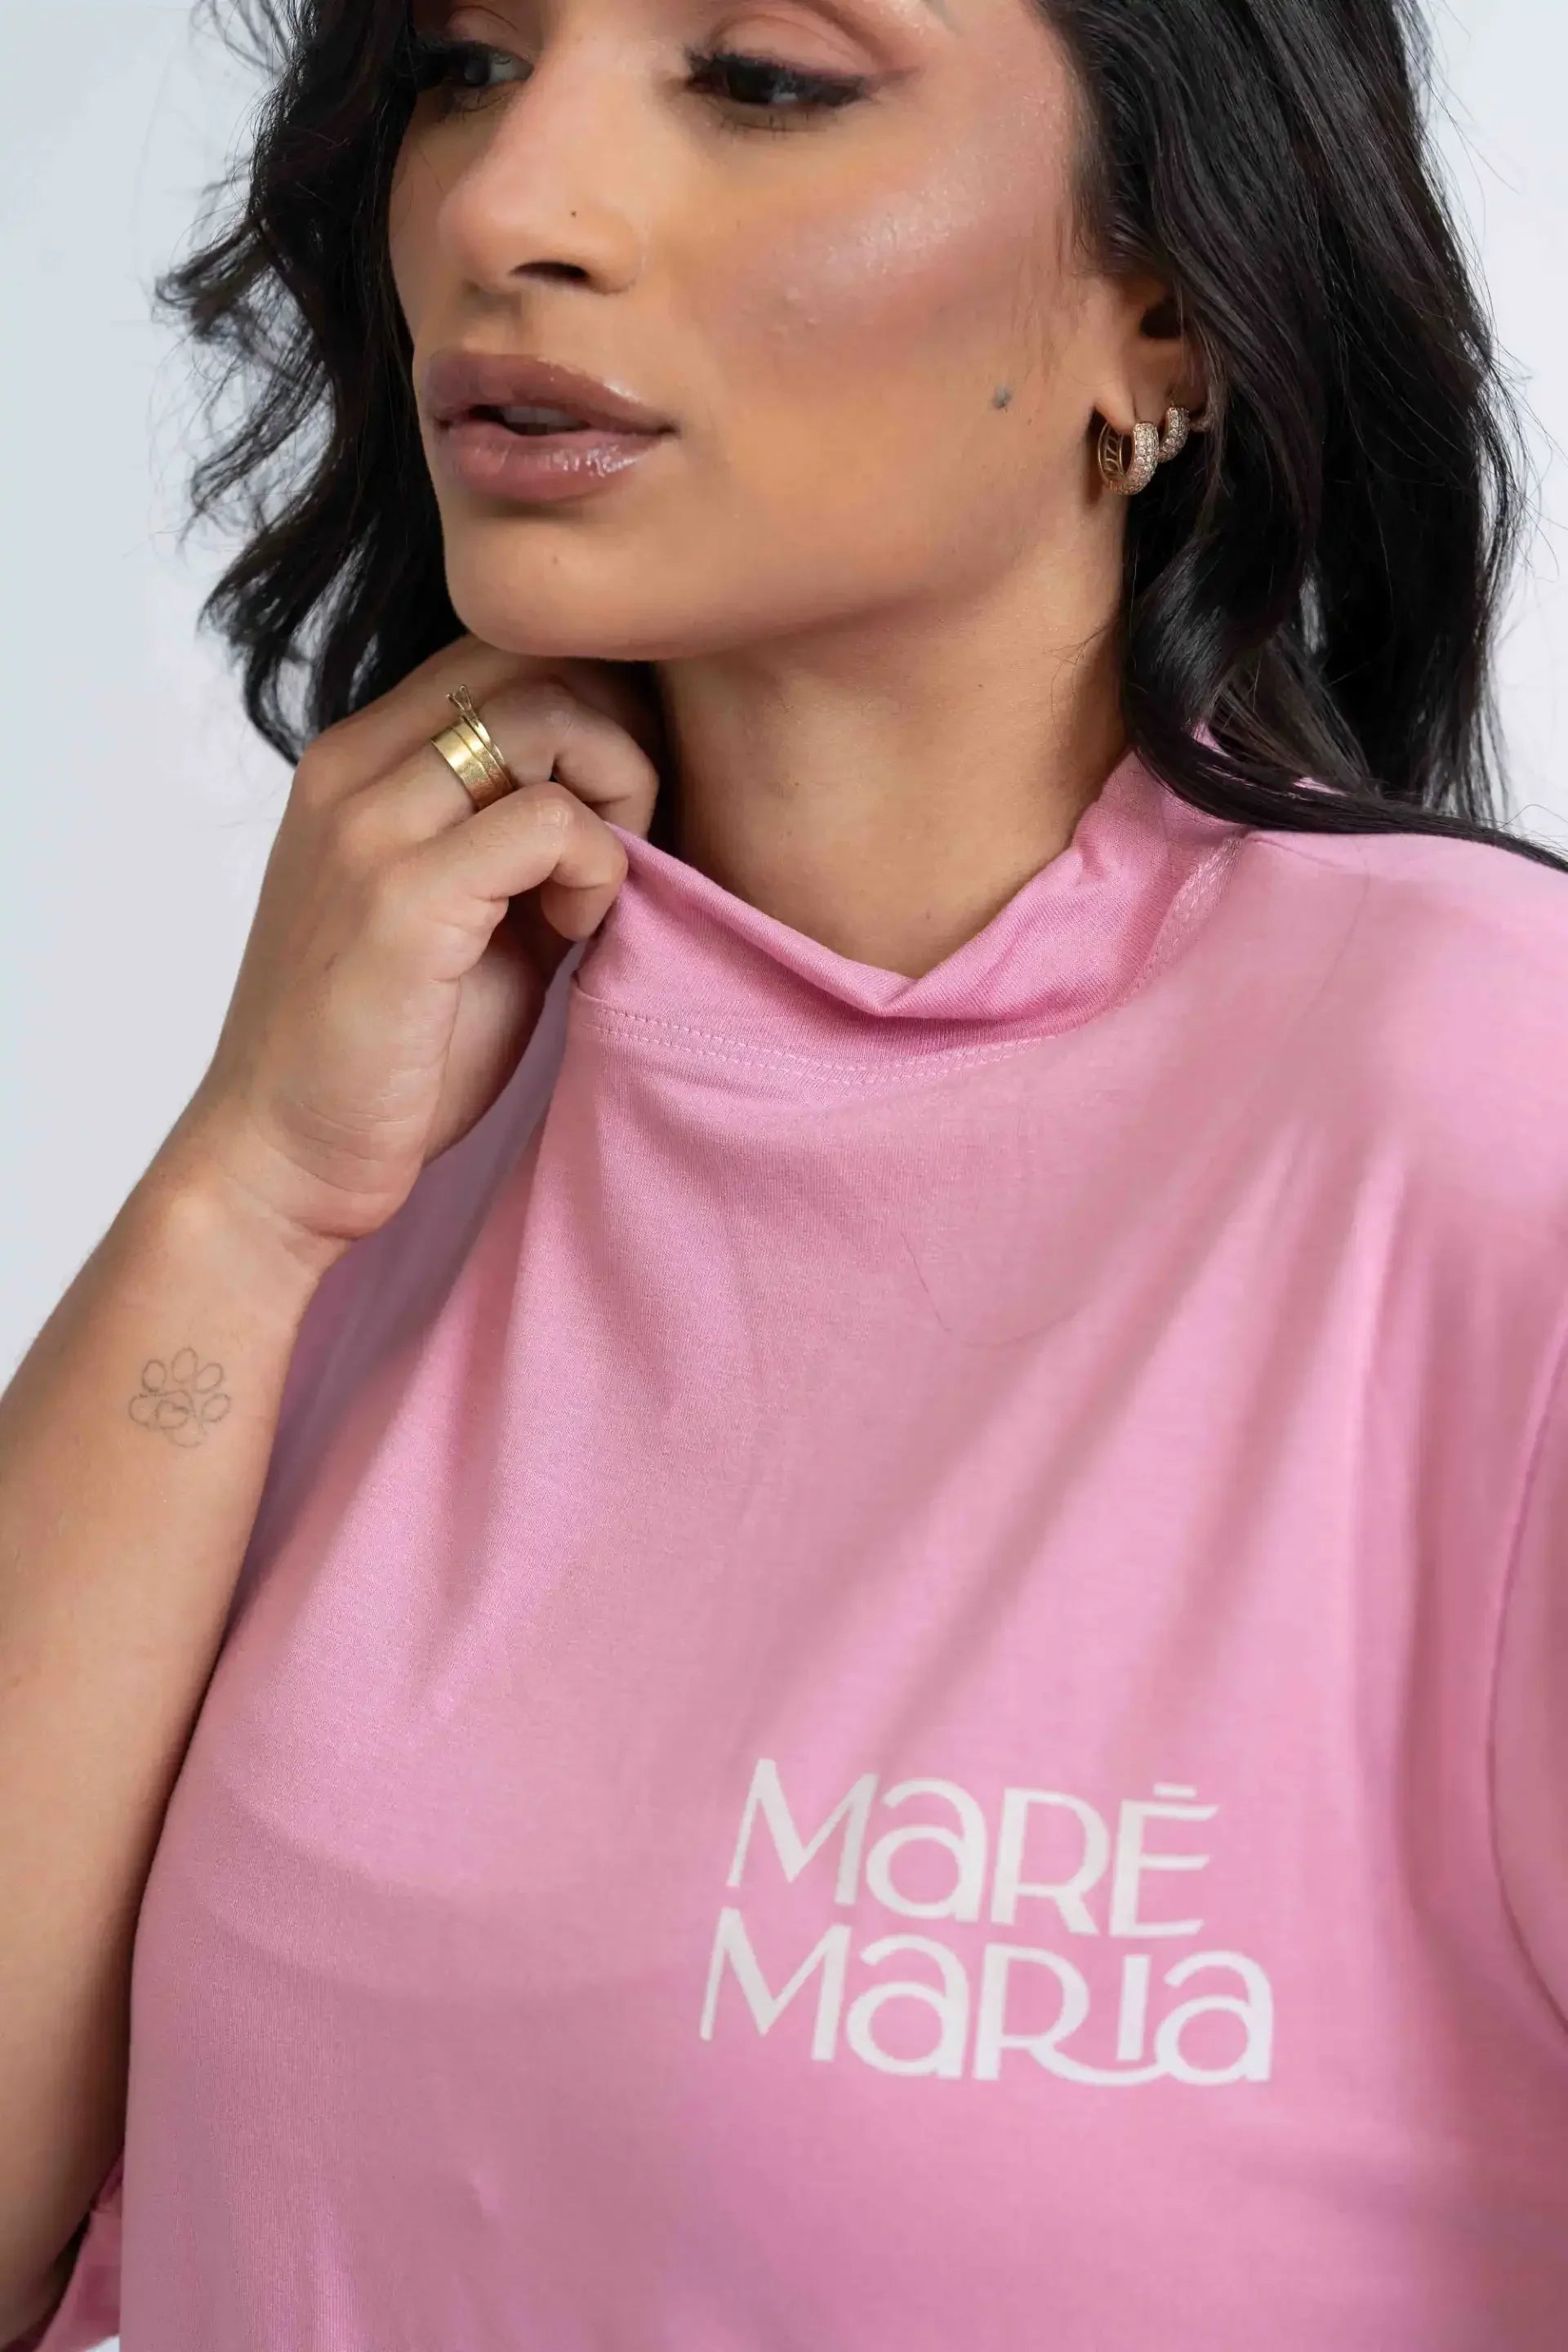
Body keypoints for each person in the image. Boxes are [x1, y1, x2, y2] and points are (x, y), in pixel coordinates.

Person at [2, 0, 1566, 2343]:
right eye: (462, 66)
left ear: (1164, 303)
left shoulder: (1490, 1120)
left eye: (761, 80)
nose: (507, 208)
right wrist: (238, 1202)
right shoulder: (385, 1123)